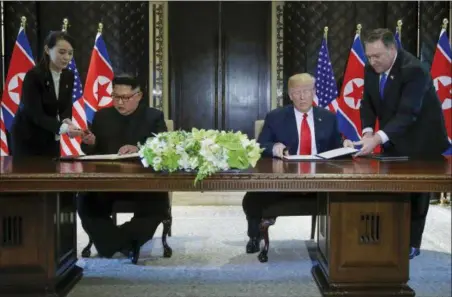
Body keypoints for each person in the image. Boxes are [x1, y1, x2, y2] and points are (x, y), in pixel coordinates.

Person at [355, 28, 449, 259]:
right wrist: (368, 131)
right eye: (368, 56)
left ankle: (412, 243)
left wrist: (377, 138)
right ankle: (387, 236)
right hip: (393, 135)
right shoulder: (371, 68)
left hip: (422, 138)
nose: (372, 61)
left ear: (392, 49)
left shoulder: (414, 70)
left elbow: (408, 114)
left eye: (377, 56)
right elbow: (367, 101)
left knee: (416, 191)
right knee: (390, 187)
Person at [242, 73, 352, 253]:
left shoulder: (329, 117)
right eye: (297, 92)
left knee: (351, 195)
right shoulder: (275, 117)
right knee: (252, 197)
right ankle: (255, 236)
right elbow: (261, 146)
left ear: (314, 92)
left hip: (321, 180)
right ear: (290, 95)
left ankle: (343, 241)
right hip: (286, 179)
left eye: (307, 91)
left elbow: (336, 147)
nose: (302, 97)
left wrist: (345, 145)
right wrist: (275, 146)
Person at [77, 74, 170, 264]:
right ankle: (125, 244)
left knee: (158, 205)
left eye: (125, 98)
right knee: (84, 201)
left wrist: (140, 149)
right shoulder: (102, 116)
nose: (119, 102)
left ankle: (113, 244)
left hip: (142, 183)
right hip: (108, 182)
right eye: (115, 96)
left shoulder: (153, 116)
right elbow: (91, 150)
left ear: (138, 95)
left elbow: (164, 147)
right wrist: (91, 143)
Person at [10, 31, 83, 158]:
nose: (66, 57)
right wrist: (64, 128)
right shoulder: (34, 75)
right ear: (47, 50)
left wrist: (68, 122)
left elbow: (65, 106)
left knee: (52, 173)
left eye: (70, 53)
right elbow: (35, 113)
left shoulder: (68, 76)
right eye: (62, 52)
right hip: (28, 136)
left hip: (51, 134)